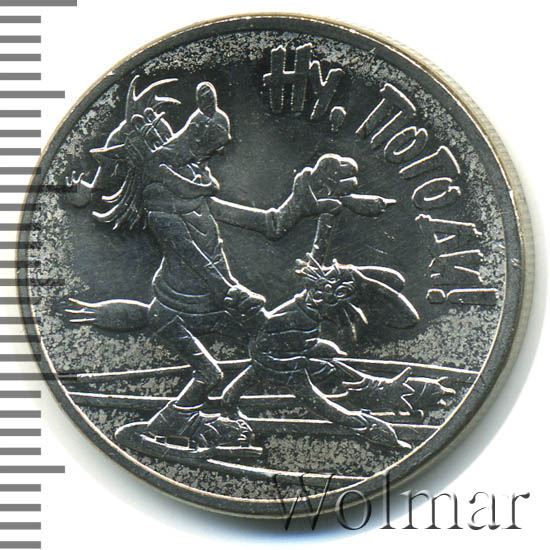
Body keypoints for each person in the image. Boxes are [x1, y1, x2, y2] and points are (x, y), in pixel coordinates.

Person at [66, 75, 384, 448]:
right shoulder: (161, 207)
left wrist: (299, 202)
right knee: (210, 373)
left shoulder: (197, 199)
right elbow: (194, 258)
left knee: (280, 340)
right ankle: (154, 430)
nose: (205, 164)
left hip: (217, 304)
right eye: (199, 154)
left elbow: (270, 224)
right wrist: (230, 290)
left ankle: (345, 383)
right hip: (180, 309)